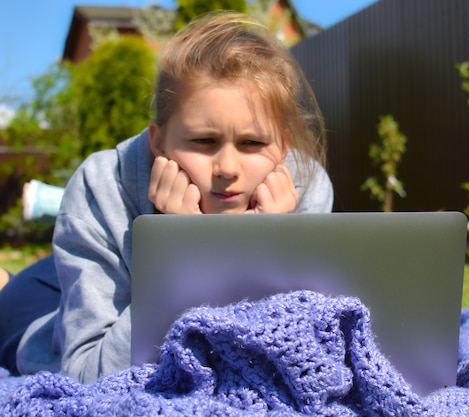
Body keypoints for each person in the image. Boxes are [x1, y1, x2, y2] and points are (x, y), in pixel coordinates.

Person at [0, 12, 333, 383]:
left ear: (284, 145)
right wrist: (179, 251)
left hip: (110, 277)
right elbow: (87, 373)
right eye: (203, 142)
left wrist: (268, 244)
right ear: (157, 139)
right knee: (10, 296)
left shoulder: (304, 187)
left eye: (252, 143)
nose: (227, 168)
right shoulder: (100, 188)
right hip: (45, 308)